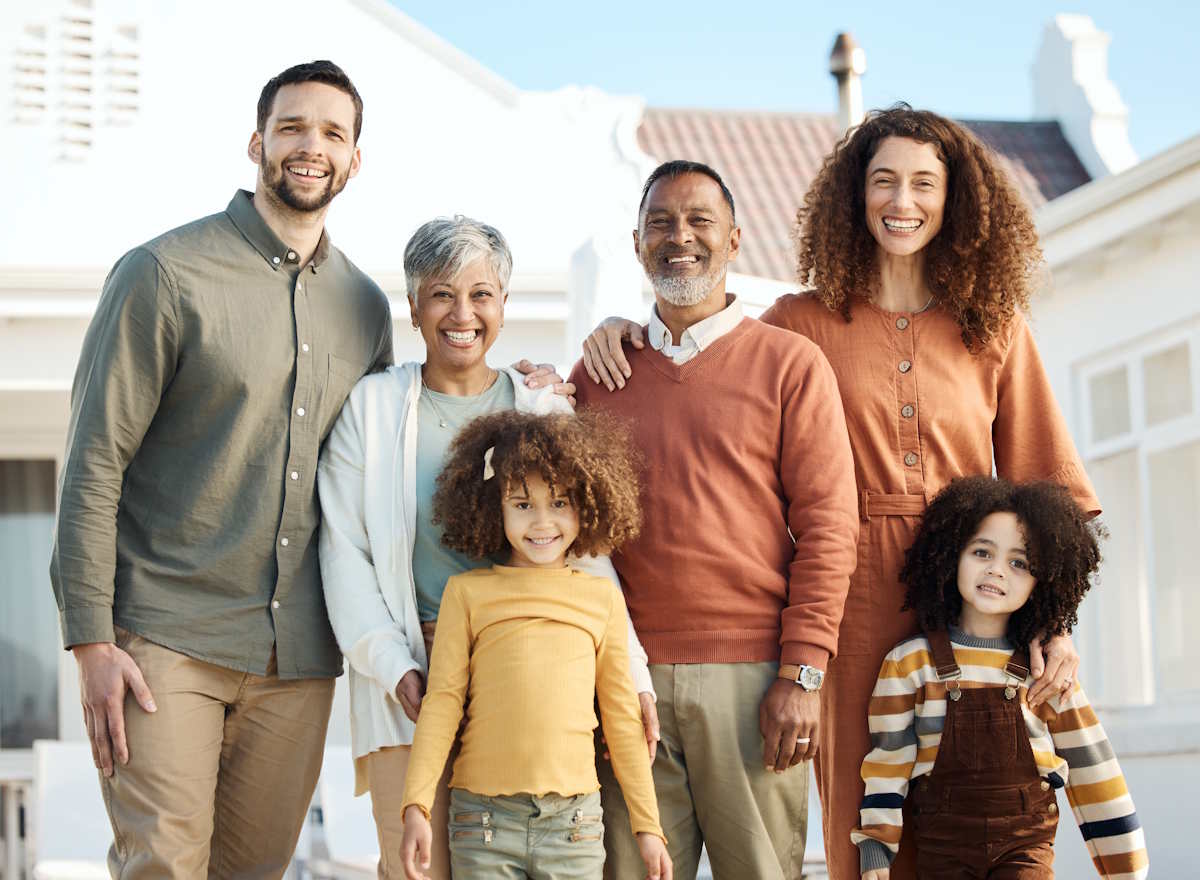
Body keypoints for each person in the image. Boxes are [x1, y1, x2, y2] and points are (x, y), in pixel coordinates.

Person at [578, 107, 1099, 880]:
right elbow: (701, 336)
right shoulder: (800, 323)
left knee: (981, 809)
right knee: (864, 819)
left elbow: (1047, 488)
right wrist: (616, 329)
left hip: (979, 593)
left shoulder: (995, 325)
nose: (903, 201)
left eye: (925, 183)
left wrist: (1052, 623)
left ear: (954, 200)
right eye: (884, 181)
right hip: (850, 593)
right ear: (854, 198)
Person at [48, 60, 391, 877]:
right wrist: (91, 640)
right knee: (163, 865)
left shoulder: (368, 307)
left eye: (333, 134)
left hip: (300, 658)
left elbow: (381, 467)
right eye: (293, 128)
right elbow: (94, 460)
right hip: (165, 639)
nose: (312, 147)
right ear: (257, 142)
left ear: (354, 160)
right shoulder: (163, 274)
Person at [318, 217, 656, 880]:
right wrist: (396, 668)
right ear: (414, 306)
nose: (462, 313)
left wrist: (635, 676)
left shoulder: (542, 408)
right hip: (410, 678)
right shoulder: (373, 408)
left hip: (529, 690)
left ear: (504, 304)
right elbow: (343, 554)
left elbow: (589, 561)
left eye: (481, 294)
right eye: (442, 294)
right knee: (416, 867)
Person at [569, 160, 860, 880]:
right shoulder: (599, 377)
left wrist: (803, 674)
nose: (681, 237)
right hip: (624, 679)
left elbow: (829, 526)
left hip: (754, 682)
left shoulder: (791, 365)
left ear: (735, 239)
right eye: (662, 222)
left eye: (701, 220)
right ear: (638, 244)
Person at [396, 411, 671, 880]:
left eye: (559, 502)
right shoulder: (466, 595)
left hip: (574, 827)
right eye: (522, 505)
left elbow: (622, 719)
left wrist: (648, 827)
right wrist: (416, 806)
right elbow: (441, 705)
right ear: (493, 508)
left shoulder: (600, 599)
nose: (542, 521)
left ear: (585, 504)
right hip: (480, 824)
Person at [854, 476, 1147, 879]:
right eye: (981, 552)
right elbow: (888, 762)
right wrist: (876, 847)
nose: (996, 571)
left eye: (1019, 562)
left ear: (1043, 581)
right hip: (942, 851)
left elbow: (1092, 764)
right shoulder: (910, 663)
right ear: (950, 556)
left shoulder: (1046, 671)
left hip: (1025, 848)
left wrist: (1126, 866)